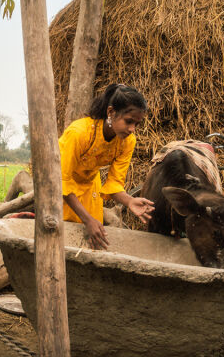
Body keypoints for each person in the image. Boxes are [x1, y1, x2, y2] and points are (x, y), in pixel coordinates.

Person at [60, 84, 155, 249]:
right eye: (129, 121)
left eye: (137, 124)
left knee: (92, 240)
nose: (132, 129)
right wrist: (88, 219)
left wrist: (130, 201)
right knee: (62, 237)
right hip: (62, 188)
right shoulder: (78, 133)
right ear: (111, 112)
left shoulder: (127, 141)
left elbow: (114, 183)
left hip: (90, 186)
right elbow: (60, 181)